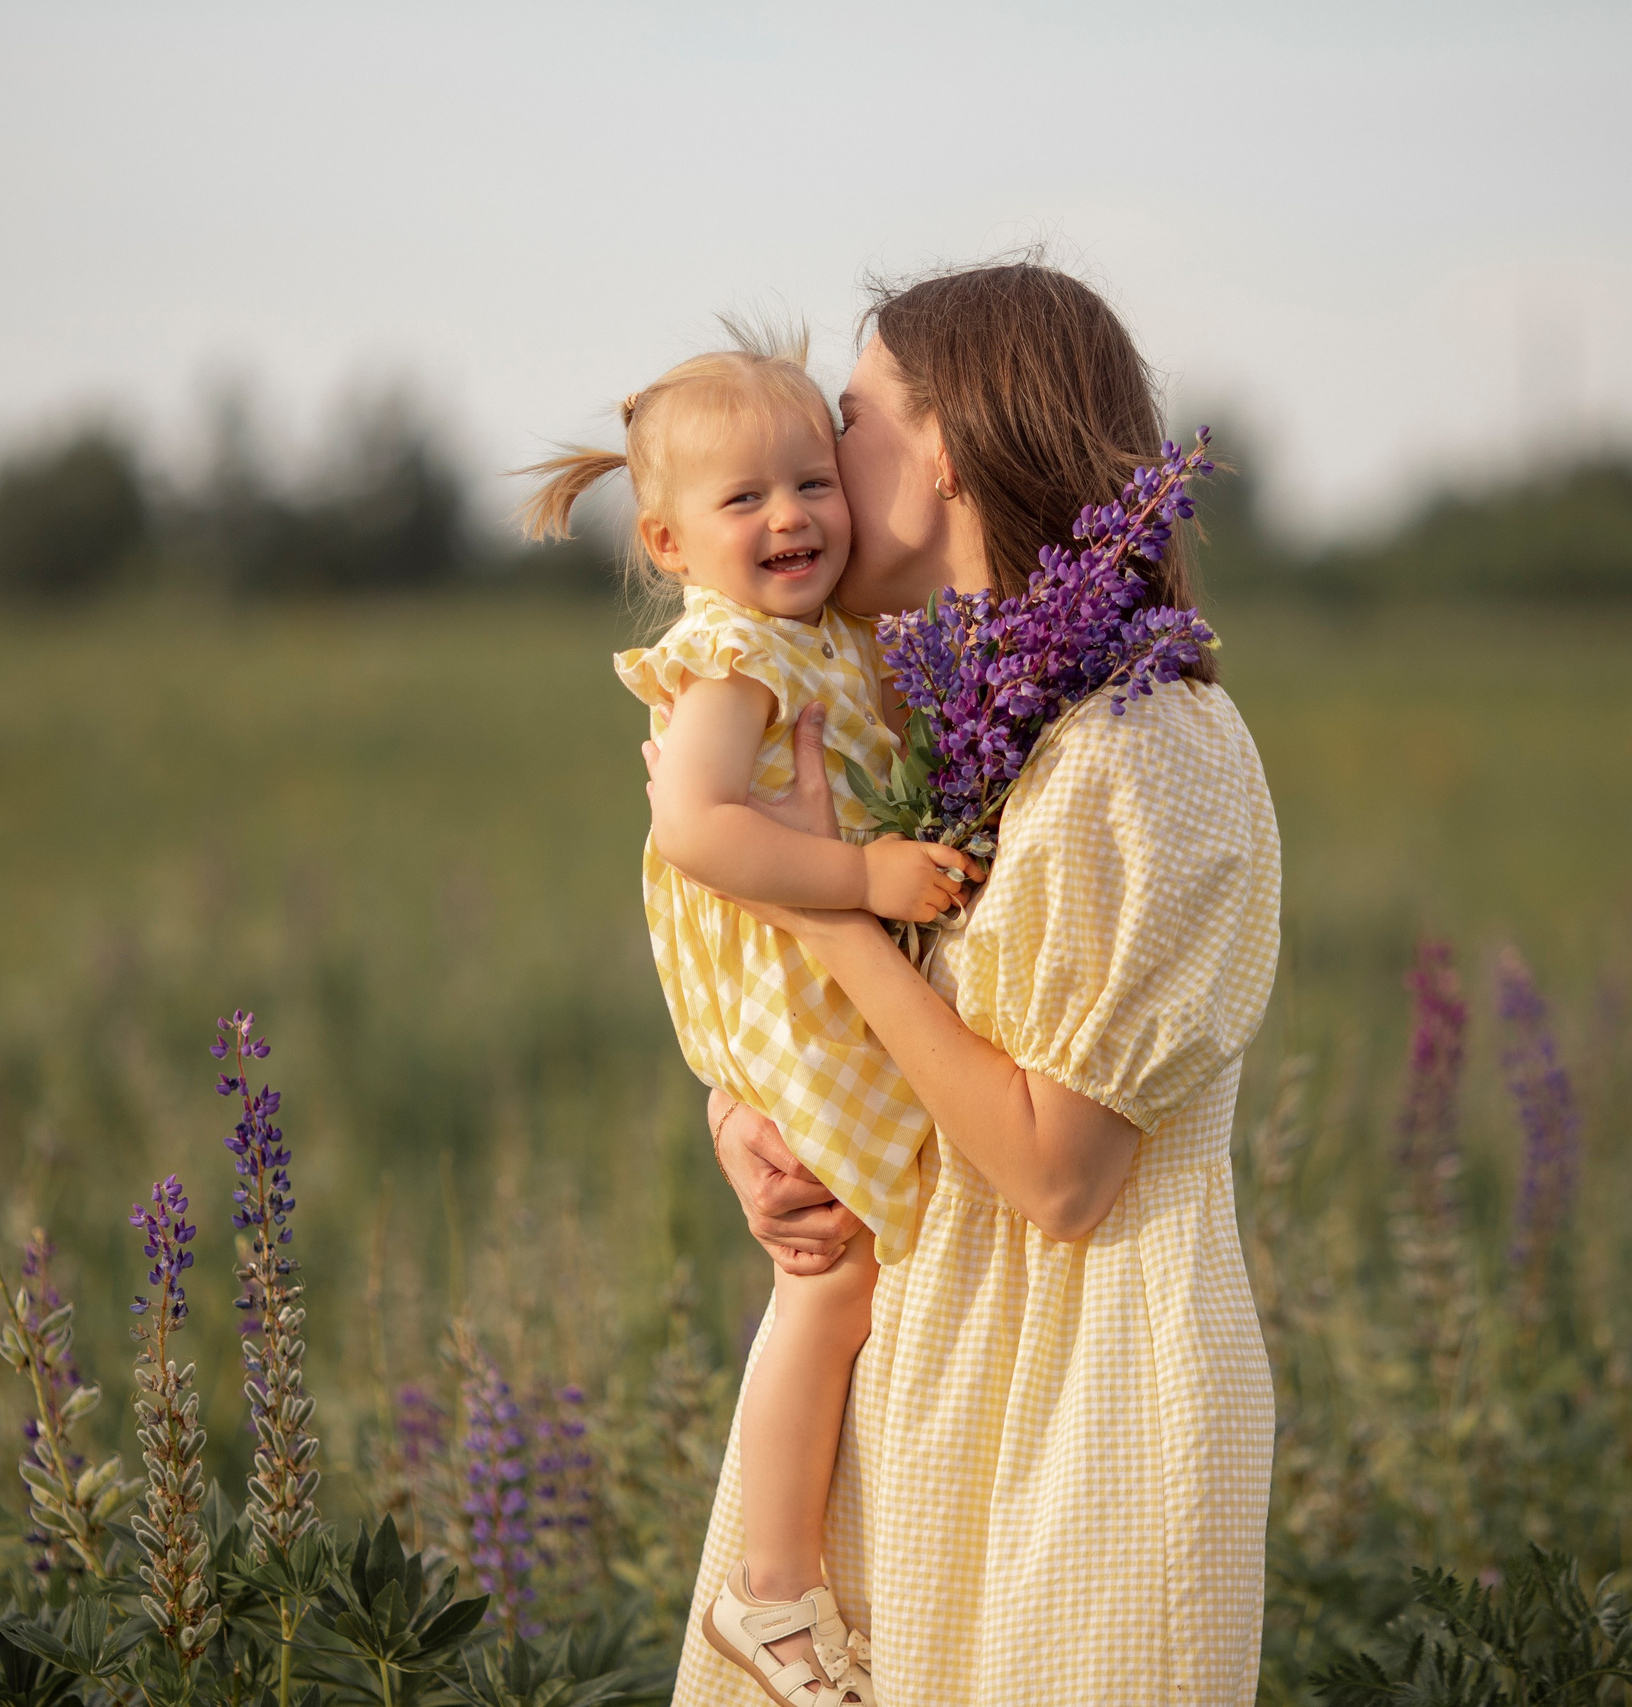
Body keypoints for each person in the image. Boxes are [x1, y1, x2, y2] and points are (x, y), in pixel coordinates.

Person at [658, 262, 1282, 1705]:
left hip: (1084, 1423)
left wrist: (824, 915)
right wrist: (754, 1124)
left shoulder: (1149, 743)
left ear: (942, 450)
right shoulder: (930, 716)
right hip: (916, 1392)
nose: (814, 463)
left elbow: (1059, 1172)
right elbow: (888, 1037)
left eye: (854, 419)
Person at [520, 324, 979, 1707]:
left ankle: (833, 1564)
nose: (791, 518)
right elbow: (703, 830)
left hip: (818, 988)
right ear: (668, 544)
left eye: (811, 482)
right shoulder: (729, 659)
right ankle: (769, 1588)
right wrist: (863, 876)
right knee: (829, 1275)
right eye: (745, 501)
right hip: (784, 993)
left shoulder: (823, 641)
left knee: (862, 1268)